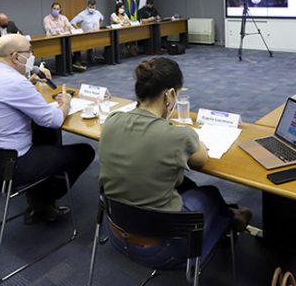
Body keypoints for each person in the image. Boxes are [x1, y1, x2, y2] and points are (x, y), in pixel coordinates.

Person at [99, 57, 252, 269]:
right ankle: (231, 220)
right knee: (210, 193)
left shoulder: (112, 121)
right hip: (163, 248)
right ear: (170, 95)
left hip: (116, 232)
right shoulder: (178, 136)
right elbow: (202, 159)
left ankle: (231, 218)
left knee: (183, 183)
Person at [0, 34, 95, 224]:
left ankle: (39, 200)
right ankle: (42, 203)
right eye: (29, 51)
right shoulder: (15, 83)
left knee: (42, 133)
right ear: (15, 57)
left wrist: (30, 83)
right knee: (84, 151)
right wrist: (66, 104)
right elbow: (53, 119)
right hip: (12, 167)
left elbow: (4, 95)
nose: (32, 56)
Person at [70, 0, 105, 70]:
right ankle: (78, 61)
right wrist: (78, 29)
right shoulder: (82, 14)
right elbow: (73, 22)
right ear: (87, 6)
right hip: (85, 35)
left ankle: (92, 58)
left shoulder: (97, 12)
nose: (92, 9)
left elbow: (102, 18)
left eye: (94, 7)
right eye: (90, 7)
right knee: (79, 45)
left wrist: (100, 26)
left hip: (95, 34)